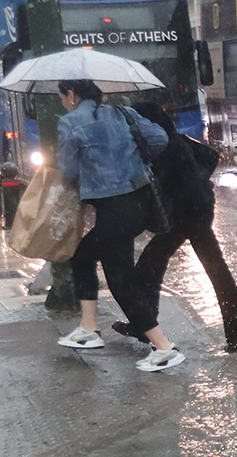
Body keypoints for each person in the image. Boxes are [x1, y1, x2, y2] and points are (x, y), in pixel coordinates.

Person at [53, 79, 185, 372]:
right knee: (84, 256)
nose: (63, 103)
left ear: (72, 95)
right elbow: (159, 138)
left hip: (114, 209)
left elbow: (67, 170)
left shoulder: (71, 123)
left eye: (62, 97)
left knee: (120, 281)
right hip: (139, 202)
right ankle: (88, 328)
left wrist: (89, 168)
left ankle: (164, 348)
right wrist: (132, 160)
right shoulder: (123, 113)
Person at [110, 104, 237, 351]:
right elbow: (210, 157)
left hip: (189, 213)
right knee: (158, 262)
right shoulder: (175, 141)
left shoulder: (164, 146)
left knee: (191, 266)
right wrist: (197, 181)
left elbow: (157, 184)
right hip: (194, 209)